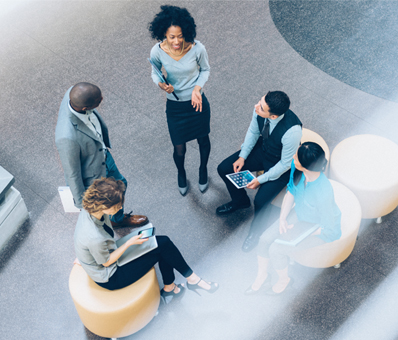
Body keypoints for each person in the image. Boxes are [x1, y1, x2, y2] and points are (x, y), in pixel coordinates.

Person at [74, 177, 219, 299]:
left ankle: (176, 285)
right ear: (103, 205)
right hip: (111, 276)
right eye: (117, 206)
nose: (119, 209)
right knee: (162, 248)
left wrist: (86, 257)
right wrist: (129, 243)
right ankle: (188, 282)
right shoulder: (94, 237)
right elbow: (106, 262)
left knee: (163, 243)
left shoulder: (90, 210)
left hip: (108, 253)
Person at [246, 142, 341, 295]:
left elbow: (328, 227)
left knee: (276, 250)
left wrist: (299, 231)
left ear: (306, 166)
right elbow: (291, 192)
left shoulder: (323, 192)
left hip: (318, 228)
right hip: (300, 214)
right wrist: (283, 218)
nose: (293, 157)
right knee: (264, 239)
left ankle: (285, 280)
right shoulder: (298, 171)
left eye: (296, 157)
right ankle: (262, 275)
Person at [217, 91, 302, 252]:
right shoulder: (259, 110)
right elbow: (253, 133)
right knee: (224, 168)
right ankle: (240, 201)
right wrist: (242, 156)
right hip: (263, 150)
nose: (256, 106)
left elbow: (285, 164)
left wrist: (260, 180)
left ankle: (256, 233)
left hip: (279, 164)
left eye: (261, 107)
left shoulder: (292, 131)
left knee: (261, 201)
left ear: (273, 116)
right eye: (259, 102)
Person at [55, 82, 148, 228]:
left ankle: (116, 219)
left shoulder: (74, 93)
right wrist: (82, 203)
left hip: (103, 155)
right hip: (94, 174)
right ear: (85, 108)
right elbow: (72, 173)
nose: (102, 99)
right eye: (99, 101)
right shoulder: (66, 137)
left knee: (121, 184)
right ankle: (112, 223)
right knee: (107, 201)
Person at [149, 5, 211, 196]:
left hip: (197, 102)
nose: (176, 41)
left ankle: (203, 170)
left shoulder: (197, 48)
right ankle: (181, 173)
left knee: (203, 139)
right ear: (163, 35)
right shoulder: (157, 51)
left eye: (180, 35)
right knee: (179, 148)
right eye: (171, 37)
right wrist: (162, 85)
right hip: (175, 106)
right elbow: (155, 73)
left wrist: (197, 89)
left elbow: (205, 70)